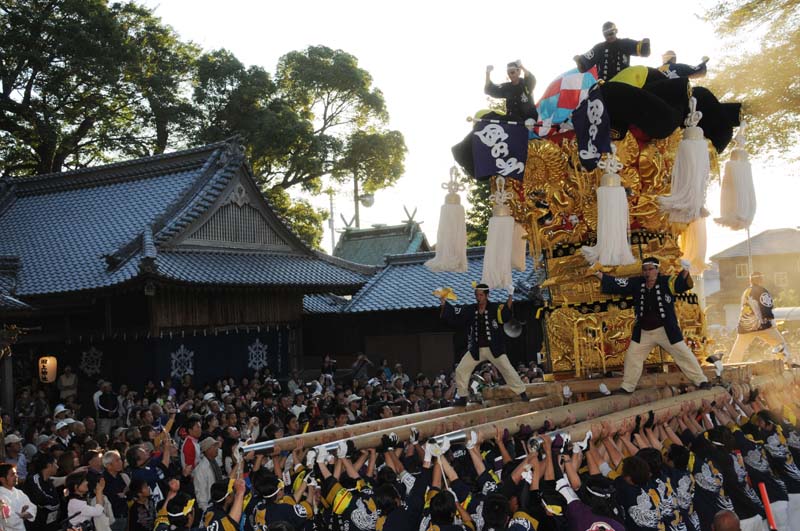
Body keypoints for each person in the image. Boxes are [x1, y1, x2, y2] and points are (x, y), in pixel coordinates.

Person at [595, 257, 709, 393]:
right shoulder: (638, 283)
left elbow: (679, 284)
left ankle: (701, 380)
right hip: (644, 332)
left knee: (683, 354)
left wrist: (685, 270)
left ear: (657, 270)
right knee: (633, 356)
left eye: (650, 269)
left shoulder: (666, 282)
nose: (647, 272)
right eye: (645, 269)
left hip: (665, 330)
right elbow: (618, 283)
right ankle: (627, 387)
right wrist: (597, 273)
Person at [440, 283, 528, 405]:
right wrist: (444, 302)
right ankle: (462, 397)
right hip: (476, 349)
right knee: (461, 369)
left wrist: (510, 295)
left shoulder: (495, 308)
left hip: (494, 348)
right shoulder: (471, 309)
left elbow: (506, 313)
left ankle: (522, 392)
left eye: (481, 295)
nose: (478, 297)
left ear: (487, 295)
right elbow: (456, 312)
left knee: (507, 369)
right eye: (477, 295)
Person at [726, 272, 794, 364]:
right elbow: (766, 308)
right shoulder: (762, 291)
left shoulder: (746, 292)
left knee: (737, 352)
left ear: (750, 281)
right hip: (762, 326)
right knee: (780, 345)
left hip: (746, 327)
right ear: (761, 280)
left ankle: (729, 367)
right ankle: (788, 364)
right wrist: (772, 323)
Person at [574, 21, 651, 80]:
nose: (608, 37)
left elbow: (645, 53)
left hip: (624, 85)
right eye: (606, 35)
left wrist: (646, 44)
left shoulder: (625, 43)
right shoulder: (598, 48)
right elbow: (583, 68)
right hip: (604, 87)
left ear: (616, 31)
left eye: (611, 33)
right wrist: (578, 61)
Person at [0, 464, 36, 531]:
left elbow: (32, 507)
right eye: (12, 475)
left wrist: (24, 514)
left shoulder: (19, 492)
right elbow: (9, 520)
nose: (16, 476)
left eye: (16, 473)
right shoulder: (1, 496)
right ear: (2, 479)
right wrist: (22, 514)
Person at [193, 437, 224, 511]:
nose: (217, 448)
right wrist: (206, 511)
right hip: (210, 506)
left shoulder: (214, 462)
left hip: (219, 502)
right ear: (207, 450)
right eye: (214, 446)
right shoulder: (201, 469)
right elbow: (201, 493)